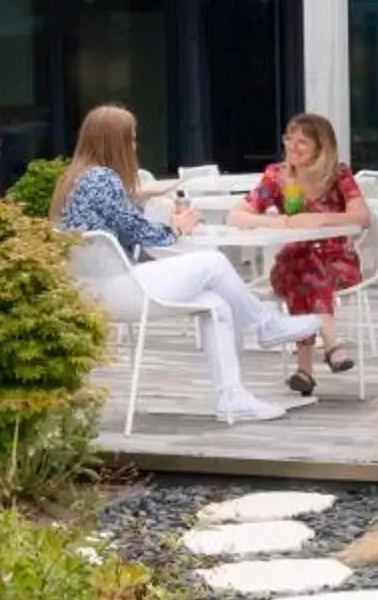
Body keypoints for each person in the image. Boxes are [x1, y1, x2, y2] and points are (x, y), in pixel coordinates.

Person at [52, 104, 320, 426]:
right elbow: (140, 232)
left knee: (216, 304)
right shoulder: (102, 178)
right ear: (114, 142)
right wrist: (177, 228)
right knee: (213, 262)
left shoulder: (76, 178)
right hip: (118, 287)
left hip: (95, 289)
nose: (135, 147)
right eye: (131, 140)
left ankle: (232, 399)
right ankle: (266, 325)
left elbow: (124, 224)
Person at [236, 112, 373, 398]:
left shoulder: (339, 174)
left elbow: (362, 216)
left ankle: (305, 369)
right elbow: (236, 216)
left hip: (339, 262)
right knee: (306, 265)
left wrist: (319, 220)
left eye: (302, 142)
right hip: (291, 264)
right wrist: (277, 222)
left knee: (309, 269)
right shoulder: (277, 176)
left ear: (321, 148)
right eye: (289, 139)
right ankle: (331, 342)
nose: (293, 147)